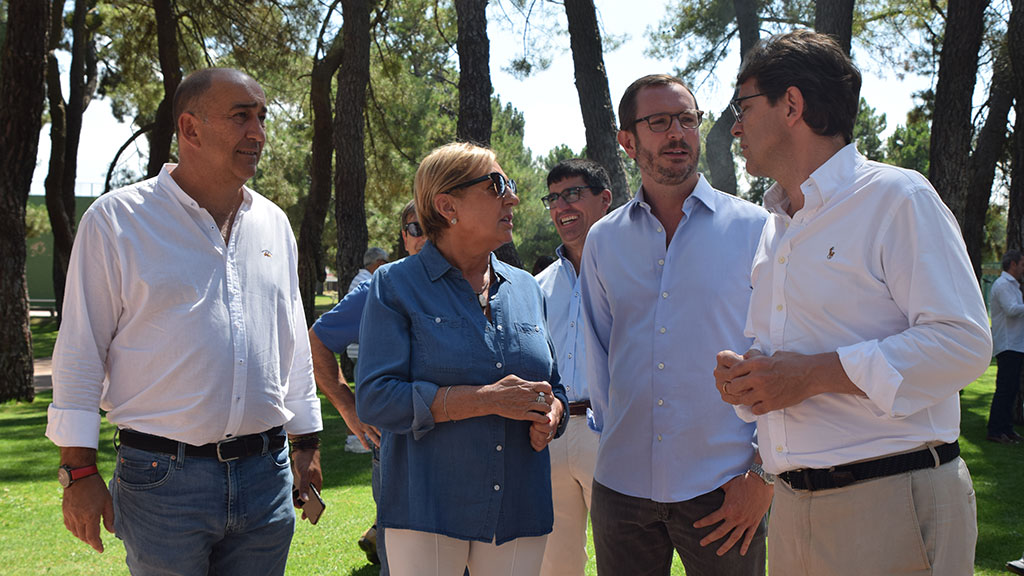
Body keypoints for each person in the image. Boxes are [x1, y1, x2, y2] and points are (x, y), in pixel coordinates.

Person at [715, 30, 992, 576]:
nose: (734, 126)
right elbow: (790, 362)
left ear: (791, 105)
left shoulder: (898, 198)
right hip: (793, 511)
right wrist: (752, 382)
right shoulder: (776, 229)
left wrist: (814, 374)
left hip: (890, 503)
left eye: (742, 106)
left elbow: (963, 343)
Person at [45, 68, 323, 575]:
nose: (258, 132)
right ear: (190, 130)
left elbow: (290, 345)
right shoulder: (116, 221)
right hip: (161, 482)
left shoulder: (274, 223)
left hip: (267, 476)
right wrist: (78, 469)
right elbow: (81, 351)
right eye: (241, 116)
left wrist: (306, 442)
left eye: (261, 117)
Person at [578, 74, 771, 576]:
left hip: (726, 488)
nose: (677, 134)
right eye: (659, 122)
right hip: (621, 489)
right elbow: (600, 361)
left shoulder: (756, 230)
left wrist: (761, 474)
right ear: (627, 140)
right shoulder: (603, 240)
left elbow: (782, 352)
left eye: (687, 119)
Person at [355, 142, 568, 576]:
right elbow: (376, 399)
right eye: (497, 185)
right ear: (446, 204)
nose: (513, 197)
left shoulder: (528, 288)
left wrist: (553, 415)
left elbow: (554, 387)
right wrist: (485, 399)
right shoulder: (395, 285)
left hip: (519, 506)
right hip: (427, 509)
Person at [308, 200, 426, 571]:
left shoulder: (475, 281)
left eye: (432, 224)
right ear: (403, 238)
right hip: (396, 447)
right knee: (405, 559)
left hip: (463, 447)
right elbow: (317, 341)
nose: (422, 236)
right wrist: (348, 407)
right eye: (414, 228)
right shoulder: (383, 285)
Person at [534, 158, 611, 576]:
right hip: (552, 436)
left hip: (613, 434)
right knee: (554, 563)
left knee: (622, 556)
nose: (561, 205)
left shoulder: (632, 270)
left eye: (573, 193)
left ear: (605, 200)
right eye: (553, 197)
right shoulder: (537, 285)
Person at [988, 249, 1024, 444]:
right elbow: (1011, 310)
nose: (1023, 269)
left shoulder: (1014, 286)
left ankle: (1006, 428)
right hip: (1008, 344)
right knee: (1004, 389)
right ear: (1013, 264)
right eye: (1022, 264)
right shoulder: (1002, 285)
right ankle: (995, 429)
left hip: (1017, 344)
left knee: (1011, 389)